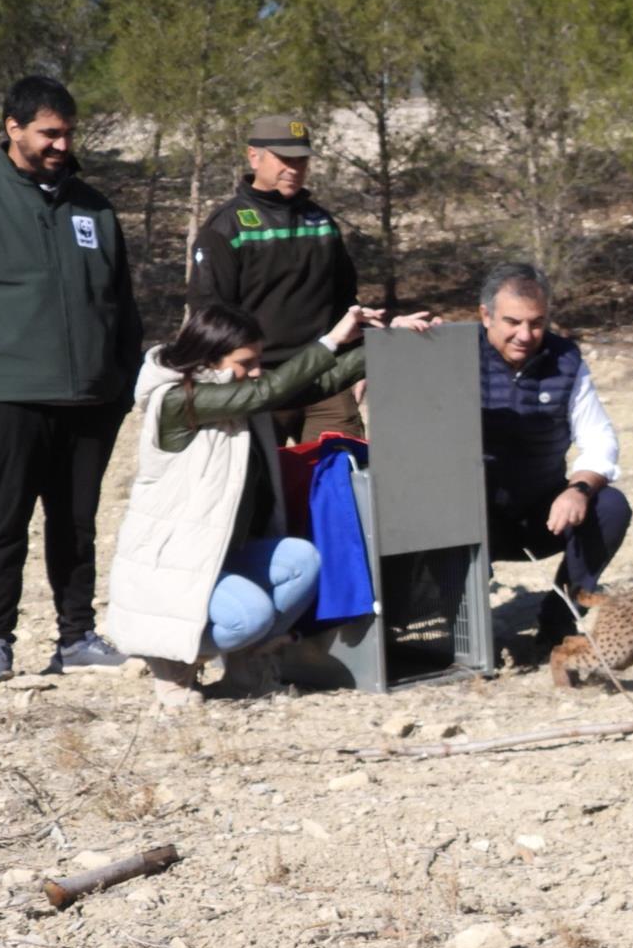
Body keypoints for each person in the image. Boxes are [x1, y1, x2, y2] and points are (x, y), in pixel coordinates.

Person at [103, 302, 429, 707]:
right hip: (175, 567)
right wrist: (332, 339)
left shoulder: (236, 395)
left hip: (221, 559)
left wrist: (388, 342)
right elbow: (269, 391)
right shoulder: (176, 401)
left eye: (259, 361)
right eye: (245, 362)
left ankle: (243, 673)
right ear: (208, 360)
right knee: (251, 616)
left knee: (301, 560)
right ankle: (170, 665)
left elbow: (315, 385)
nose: (256, 371)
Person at [0, 76, 143, 684]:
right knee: (4, 523)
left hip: (90, 398)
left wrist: (123, 385)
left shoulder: (93, 206)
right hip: (9, 399)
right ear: (13, 128)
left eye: (68, 133)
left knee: (77, 523)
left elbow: (122, 303)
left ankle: (77, 636)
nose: (61, 143)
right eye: (48, 132)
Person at [475, 262, 632, 648]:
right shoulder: (452, 354)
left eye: (537, 323)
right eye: (512, 322)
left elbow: (600, 440)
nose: (525, 335)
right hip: (473, 516)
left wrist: (578, 489)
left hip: (541, 514)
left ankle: (560, 618)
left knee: (610, 506)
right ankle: (470, 634)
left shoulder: (566, 361)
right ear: (485, 316)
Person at [185, 115, 363, 444]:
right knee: (263, 486)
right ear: (254, 156)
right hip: (257, 379)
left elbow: (345, 298)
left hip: (326, 376)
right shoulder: (227, 225)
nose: (294, 168)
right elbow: (209, 311)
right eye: (285, 159)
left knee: (343, 476)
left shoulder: (321, 221)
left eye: (301, 160)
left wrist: (357, 363)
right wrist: (230, 375)